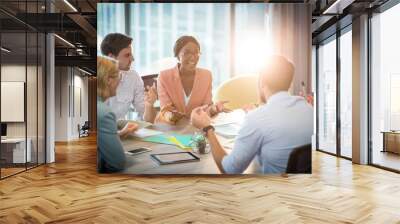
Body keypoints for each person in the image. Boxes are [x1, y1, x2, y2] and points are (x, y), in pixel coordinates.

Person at [191, 55, 313, 174]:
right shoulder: (309, 109)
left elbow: (229, 170)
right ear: (289, 83)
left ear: (262, 82)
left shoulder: (257, 118)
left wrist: (207, 128)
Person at [156, 35, 228, 124]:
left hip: (197, 128)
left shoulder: (206, 76)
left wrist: (214, 109)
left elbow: (206, 109)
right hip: (171, 128)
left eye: (196, 52)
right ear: (178, 55)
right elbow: (165, 110)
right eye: (187, 53)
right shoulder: (164, 76)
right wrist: (171, 116)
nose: (193, 57)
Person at [100, 33, 157, 123]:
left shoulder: (133, 78)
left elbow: (149, 120)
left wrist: (149, 105)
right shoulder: (97, 79)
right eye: (127, 55)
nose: (132, 59)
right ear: (111, 57)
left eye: (131, 54)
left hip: (121, 132)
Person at [97, 56, 137, 172]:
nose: (120, 81)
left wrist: (119, 134)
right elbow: (117, 163)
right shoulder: (104, 113)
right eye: (119, 76)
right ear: (108, 80)